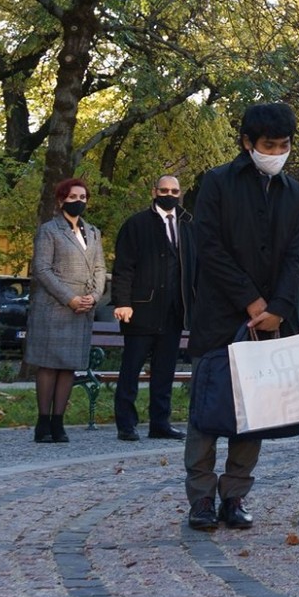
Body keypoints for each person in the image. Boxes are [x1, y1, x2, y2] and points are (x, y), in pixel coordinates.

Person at [186, 102, 299, 531]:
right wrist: (251, 300)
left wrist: (279, 308)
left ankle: (234, 495)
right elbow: (209, 247)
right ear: (247, 143)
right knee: (207, 411)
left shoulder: (295, 193)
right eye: (269, 145)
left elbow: (296, 257)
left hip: (269, 322)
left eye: (284, 145)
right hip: (220, 317)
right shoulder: (217, 182)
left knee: (255, 412)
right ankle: (201, 497)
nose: (277, 152)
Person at [109, 175, 193, 441]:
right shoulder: (136, 224)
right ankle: (126, 424)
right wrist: (123, 302)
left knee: (165, 371)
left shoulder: (188, 224)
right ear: (154, 191)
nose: (170, 195)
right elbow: (123, 267)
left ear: (180, 193)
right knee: (131, 369)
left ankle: (160, 423)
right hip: (141, 309)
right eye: (164, 190)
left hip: (174, 311)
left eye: (174, 191)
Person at [25, 177, 105, 443]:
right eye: (73, 197)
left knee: (69, 367)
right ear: (61, 201)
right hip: (54, 308)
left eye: (82, 198)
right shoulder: (49, 230)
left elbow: (100, 268)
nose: (78, 202)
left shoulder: (93, 232)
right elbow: (42, 269)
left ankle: (58, 422)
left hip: (82, 309)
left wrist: (94, 297)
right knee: (49, 366)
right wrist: (70, 298)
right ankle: (42, 423)